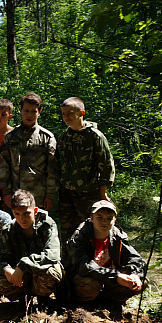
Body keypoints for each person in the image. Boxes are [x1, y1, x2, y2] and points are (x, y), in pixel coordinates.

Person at [64, 200, 145, 311]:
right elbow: (83, 267)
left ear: (114, 220)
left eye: (109, 218)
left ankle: (106, 303)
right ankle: (81, 306)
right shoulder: (80, 236)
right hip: (81, 280)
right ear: (91, 218)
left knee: (141, 281)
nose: (104, 222)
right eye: (99, 217)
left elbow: (135, 258)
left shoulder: (117, 235)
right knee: (92, 284)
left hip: (105, 277)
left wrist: (135, 275)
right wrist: (116, 276)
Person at [58, 97, 115, 244]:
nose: (66, 117)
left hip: (88, 193)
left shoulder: (95, 136)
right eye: (63, 114)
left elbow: (106, 165)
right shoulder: (65, 136)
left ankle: (88, 264)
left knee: (88, 230)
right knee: (66, 231)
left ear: (81, 112)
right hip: (67, 193)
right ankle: (68, 263)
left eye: (69, 113)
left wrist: (102, 193)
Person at [0, 190, 63, 304]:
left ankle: (42, 297)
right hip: (20, 275)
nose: (22, 219)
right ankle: (23, 298)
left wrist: (24, 264)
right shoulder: (9, 229)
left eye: (26, 213)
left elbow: (53, 255)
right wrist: (7, 270)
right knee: (1, 281)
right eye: (17, 214)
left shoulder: (47, 224)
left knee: (51, 272)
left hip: (39, 270)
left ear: (35, 211)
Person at [0, 93, 59, 211]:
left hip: (38, 197)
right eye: (26, 111)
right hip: (15, 194)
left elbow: (53, 169)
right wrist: (6, 192)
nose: (29, 115)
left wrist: (50, 195)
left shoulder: (47, 138)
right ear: (20, 111)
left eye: (33, 111)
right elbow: (3, 165)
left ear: (39, 112)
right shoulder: (10, 137)